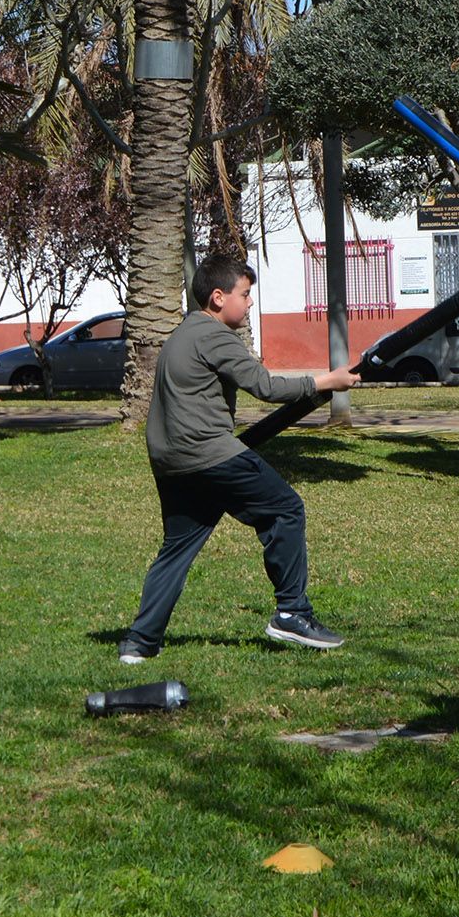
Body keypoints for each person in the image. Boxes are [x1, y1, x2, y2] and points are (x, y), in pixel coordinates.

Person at [116, 253, 360, 664]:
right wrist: (327, 380)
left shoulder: (182, 335)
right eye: (244, 295)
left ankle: (139, 644)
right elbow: (263, 385)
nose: (248, 303)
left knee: (178, 546)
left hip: (170, 460)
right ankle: (292, 613)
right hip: (208, 452)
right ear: (217, 297)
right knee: (285, 509)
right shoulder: (214, 336)